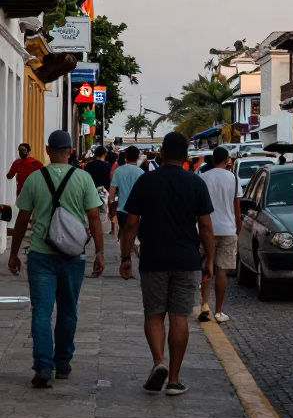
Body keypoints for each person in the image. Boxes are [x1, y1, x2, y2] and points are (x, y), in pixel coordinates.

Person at [118, 131, 214, 396]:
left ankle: (158, 361)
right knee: (180, 317)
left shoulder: (147, 181)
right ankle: (173, 379)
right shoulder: (195, 183)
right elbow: (205, 226)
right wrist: (210, 260)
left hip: (154, 257)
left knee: (154, 314)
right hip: (187, 258)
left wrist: (125, 257)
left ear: (162, 152)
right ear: (185, 156)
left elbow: (132, 223)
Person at [7, 129, 105, 387]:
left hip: (40, 254)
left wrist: (14, 252)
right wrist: (101, 252)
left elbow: (22, 219)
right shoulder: (83, 178)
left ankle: (42, 368)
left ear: (48, 151)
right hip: (74, 255)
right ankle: (62, 364)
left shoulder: (35, 179)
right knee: (68, 310)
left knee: (41, 311)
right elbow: (94, 217)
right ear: (71, 151)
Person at [198, 146, 242, 322]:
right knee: (221, 270)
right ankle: (219, 311)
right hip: (228, 229)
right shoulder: (233, 178)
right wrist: (237, 228)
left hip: (207, 228)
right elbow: (236, 206)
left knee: (206, 267)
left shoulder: (203, 178)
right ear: (227, 160)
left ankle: (204, 306)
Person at [109, 145, 145, 242]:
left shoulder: (119, 170)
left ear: (126, 157)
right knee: (133, 233)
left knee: (123, 232)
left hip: (122, 209)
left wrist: (110, 206)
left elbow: (112, 192)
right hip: (136, 210)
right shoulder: (141, 173)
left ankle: (124, 255)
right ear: (137, 157)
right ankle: (129, 253)